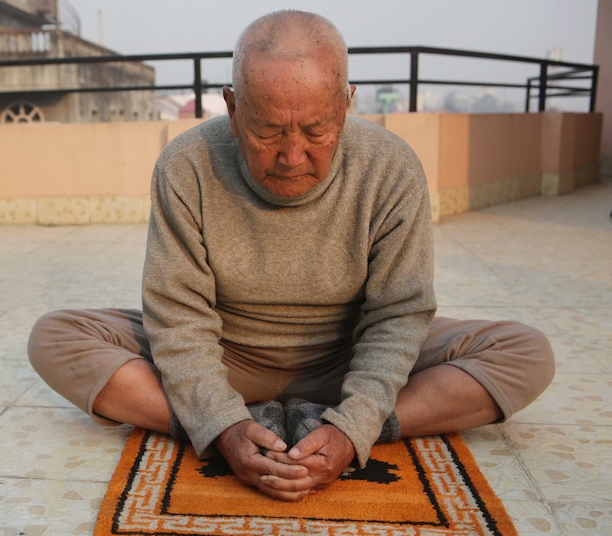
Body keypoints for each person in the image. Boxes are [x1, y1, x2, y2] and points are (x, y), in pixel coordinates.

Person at [27, 10, 555, 502]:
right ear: (233, 110)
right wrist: (220, 423)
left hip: (346, 357)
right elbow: (178, 314)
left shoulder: (391, 168)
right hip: (226, 356)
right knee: (56, 338)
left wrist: (357, 425)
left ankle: (343, 420)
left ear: (346, 106)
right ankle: (223, 418)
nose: (292, 155)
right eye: (268, 130)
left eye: (317, 130)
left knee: (524, 353)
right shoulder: (187, 165)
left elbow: (398, 313)